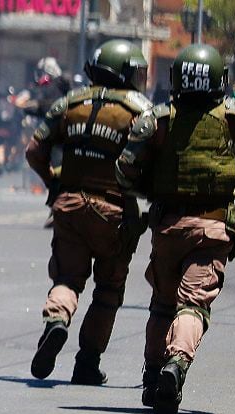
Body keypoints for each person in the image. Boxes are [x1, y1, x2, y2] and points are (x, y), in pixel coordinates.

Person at [116, 44, 235, 414]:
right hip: (214, 228)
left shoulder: (157, 119)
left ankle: (154, 375)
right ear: (220, 79)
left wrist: (150, 195)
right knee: (194, 304)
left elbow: (124, 171)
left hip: (168, 227)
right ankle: (176, 364)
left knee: (161, 303)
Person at [25, 39, 152, 385]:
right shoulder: (140, 109)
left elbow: (35, 149)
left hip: (68, 205)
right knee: (107, 291)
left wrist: (52, 180)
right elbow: (151, 162)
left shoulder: (70, 102)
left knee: (66, 279)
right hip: (114, 213)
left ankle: (56, 321)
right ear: (124, 72)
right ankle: (87, 363)